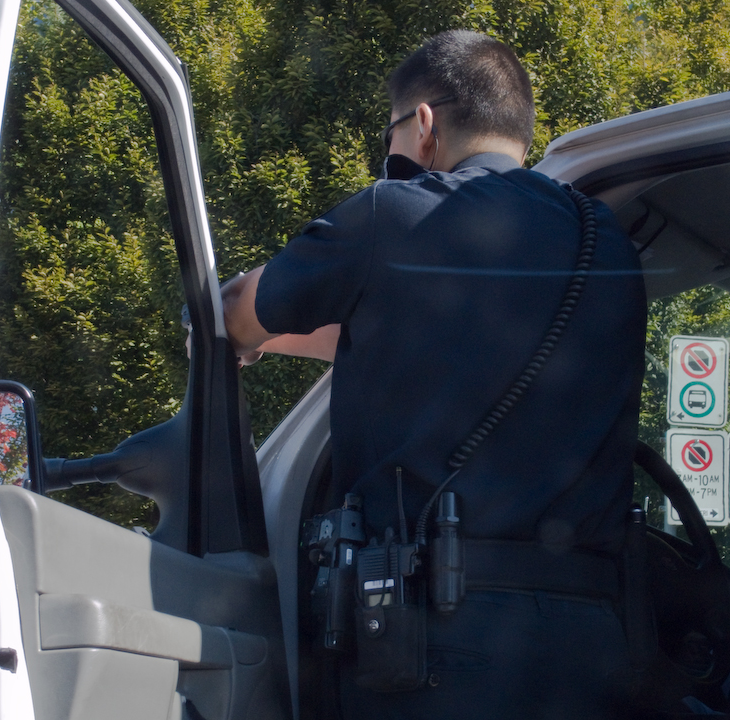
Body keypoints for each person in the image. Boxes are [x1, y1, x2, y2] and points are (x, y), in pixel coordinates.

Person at [222, 30, 646, 720]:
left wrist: (248, 342)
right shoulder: (610, 244)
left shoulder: (395, 214)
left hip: (439, 640)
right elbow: (437, 340)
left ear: (422, 124)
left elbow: (239, 313)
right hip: (591, 643)